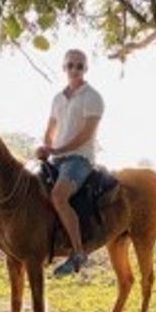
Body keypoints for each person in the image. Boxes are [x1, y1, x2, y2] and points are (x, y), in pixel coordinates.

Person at [36, 48, 105, 276]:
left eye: (80, 66)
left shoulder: (92, 97)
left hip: (79, 158)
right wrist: (46, 147)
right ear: (64, 68)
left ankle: (78, 252)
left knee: (58, 195)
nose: (75, 70)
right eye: (70, 65)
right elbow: (50, 129)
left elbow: (86, 133)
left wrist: (59, 149)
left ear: (86, 69)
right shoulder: (57, 99)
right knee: (31, 189)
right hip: (57, 158)